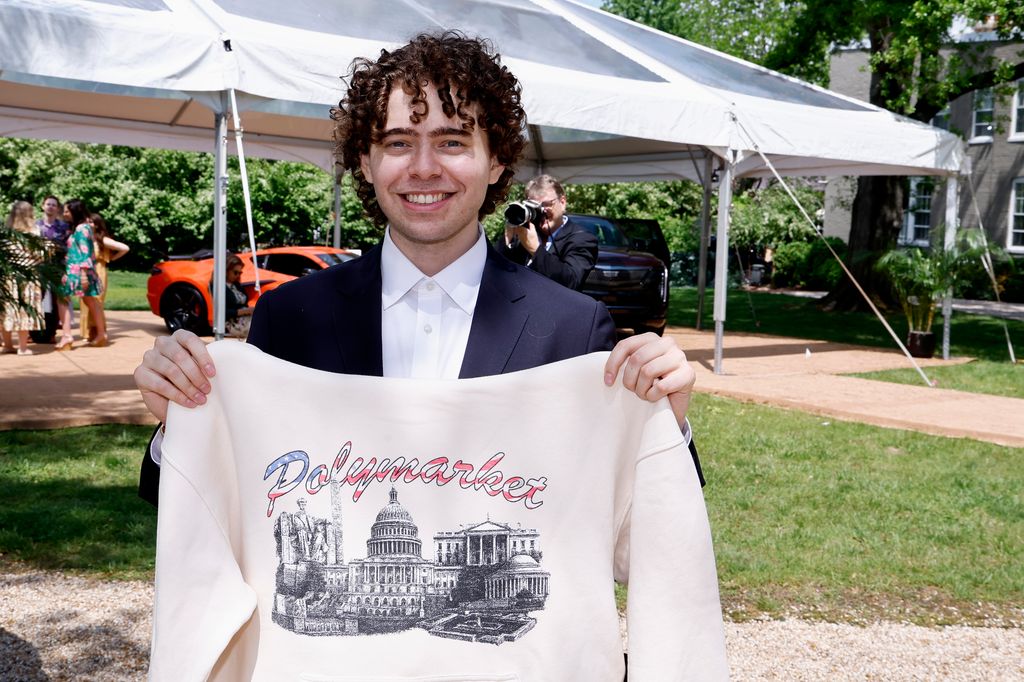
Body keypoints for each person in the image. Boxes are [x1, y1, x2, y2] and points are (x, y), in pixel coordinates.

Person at [133, 30, 700, 505]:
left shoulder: (575, 328)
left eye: (452, 141)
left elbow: (639, 520)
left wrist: (667, 425)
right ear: (366, 159)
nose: (424, 169)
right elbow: (207, 502)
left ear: (497, 157)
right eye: (398, 143)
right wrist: (178, 423)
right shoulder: (290, 317)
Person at [495, 174, 598, 291]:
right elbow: (494, 270)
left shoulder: (582, 238)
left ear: (563, 202)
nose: (541, 212)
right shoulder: (525, 234)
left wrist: (535, 250)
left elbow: (572, 281)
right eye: (535, 207)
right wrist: (507, 239)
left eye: (546, 205)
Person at [57, 199, 107, 350]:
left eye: (67, 211)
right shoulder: (82, 227)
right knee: (90, 300)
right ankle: (101, 335)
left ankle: (67, 336)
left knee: (62, 298)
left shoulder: (81, 229)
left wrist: (84, 274)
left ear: (75, 212)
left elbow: (85, 253)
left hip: (77, 271)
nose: (64, 214)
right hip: (78, 270)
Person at [1, 201, 44, 356]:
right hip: (27, 275)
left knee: (7, 309)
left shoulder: (6, 232)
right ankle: (23, 347)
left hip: (8, 275)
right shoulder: (34, 231)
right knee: (24, 309)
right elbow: (40, 255)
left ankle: (7, 344)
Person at [80, 213, 129, 342]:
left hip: (98, 271)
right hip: (86, 271)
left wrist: (111, 258)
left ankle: (99, 332)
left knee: (96, 301)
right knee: (85, 302)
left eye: (91, 222)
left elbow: (125, 248)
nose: (88, 224)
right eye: (87, 221)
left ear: (97, 225)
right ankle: (89, 333)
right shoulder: (84, 238)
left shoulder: (102, 239)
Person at [36, 195, 70, 343]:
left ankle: (51, 333)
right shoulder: (36, 226)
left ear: (57, 208)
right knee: (36, 299)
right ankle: (35, 334)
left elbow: (69, 247)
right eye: (48, 204)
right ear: (43, 206)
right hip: (39, 267)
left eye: (53, 205)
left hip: (58, 267)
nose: (50, 206)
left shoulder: (63, 227)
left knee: (59, 300)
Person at [214, 254, 254, 338]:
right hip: (231, 323)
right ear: (226, 270)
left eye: (240, 273)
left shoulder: (237, 285)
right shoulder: (219, 287)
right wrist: (244, 311)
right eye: (235, 272)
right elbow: (221, 312)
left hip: (244, 319)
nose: (238, 275)